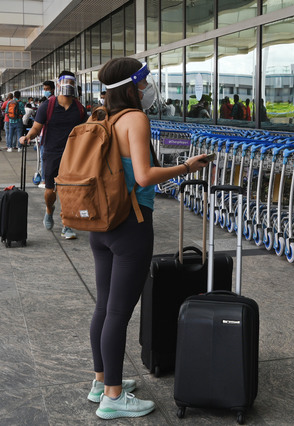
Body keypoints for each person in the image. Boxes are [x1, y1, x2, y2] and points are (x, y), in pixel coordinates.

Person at [84, 57, 209, 420]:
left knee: (104, 308)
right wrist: (188, 167)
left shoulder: (101, 116)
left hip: (102, 223)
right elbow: (143, 175)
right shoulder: (135, 119)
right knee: (119, 313)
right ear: (132, 86)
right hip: (131, 225)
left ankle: (100, 381)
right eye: (144, 81)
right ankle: (112, 396)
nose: (148, 87)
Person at [19, 71, 87, 240]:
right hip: (51, 152)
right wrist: (27, 137)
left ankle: (67, 224)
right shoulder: (47, 106)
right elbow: (36, 128)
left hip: (72, 154)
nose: (68, 87)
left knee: (69, 190)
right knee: (50, 191)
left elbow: (86, 129)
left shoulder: (79, 108)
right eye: (66, 83)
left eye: (72, 83)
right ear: (59, 85)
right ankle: (49, 211)